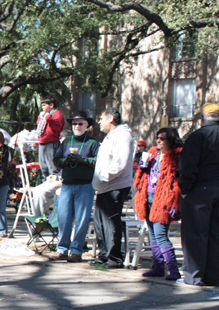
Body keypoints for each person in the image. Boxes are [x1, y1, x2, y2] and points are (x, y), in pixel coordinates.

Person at [50, 111, 100, 262]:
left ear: (87, 125)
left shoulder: (92, 142)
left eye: (80, 123)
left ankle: (77, 251)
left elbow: (98, 161)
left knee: (82, 219)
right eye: (74, 124)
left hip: (85, 185)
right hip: (67, 184)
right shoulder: (66, 141)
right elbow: (56, 160)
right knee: (63, 218)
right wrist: (65, 161)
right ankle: (62, 249)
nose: (77, 126)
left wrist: (83, 160)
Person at [178, 102, 219, 286]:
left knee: (195, 234)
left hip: (199, 190)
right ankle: (213, 276)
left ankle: (193, 276)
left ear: (202, 118)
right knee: (215, 234)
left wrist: (185, 189)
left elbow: (188, 165)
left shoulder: (198, 136)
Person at [134, 127, 183, 280]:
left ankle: (173, 270)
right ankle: (158, 267)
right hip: (147, 197)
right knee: (153, 235)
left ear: (171, 140)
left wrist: (175, 203)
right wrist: (142, 165)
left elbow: (177, 182)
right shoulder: (153, 154)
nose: (158, 141)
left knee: (161, 235)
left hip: (163, 199)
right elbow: (141, 175)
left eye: (162, 138)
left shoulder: (176, 156)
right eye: (157, 138)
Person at [91, 107, 134, 267]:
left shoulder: (123, 135)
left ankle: (114, 258)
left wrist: (104, 177)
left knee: (110, 222)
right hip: (104, 187)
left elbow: (120, 162)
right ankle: (104, 255)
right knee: (100, 222)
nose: (99, 122)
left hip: (114, 185)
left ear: (111, 119)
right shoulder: (111, 136)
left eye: (101, 119)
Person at [36, 95, 65, 179]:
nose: (42, 107)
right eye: (42, 105)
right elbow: (39, 124)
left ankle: (54, 181)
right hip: (42, 141)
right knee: (43, 165)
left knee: (51, 165)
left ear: (51, 105)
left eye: (44, 105)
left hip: (51, 142)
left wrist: (48, 118)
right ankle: (45, 180)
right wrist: (40, 117)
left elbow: (58, 127)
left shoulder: (57, 114)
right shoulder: (44, 115)